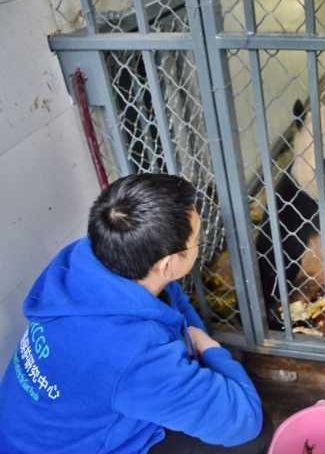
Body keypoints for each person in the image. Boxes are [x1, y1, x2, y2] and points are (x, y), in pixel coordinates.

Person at [0, 174, 269, 453]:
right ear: (167, 264)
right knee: (255, 436)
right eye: (197, 240)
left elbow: (172, 300)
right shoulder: (132, 353)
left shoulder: (86, 256)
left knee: (223, 371)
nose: (200, 246)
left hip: (37, 428)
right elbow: (243, 422)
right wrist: (209, 347)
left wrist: (197, 341)